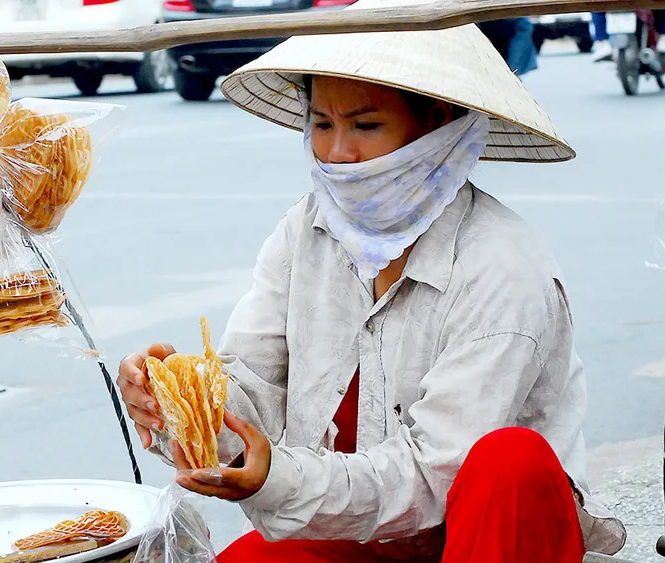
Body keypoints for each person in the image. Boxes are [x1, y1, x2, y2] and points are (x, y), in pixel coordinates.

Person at [116, 0, 628, 560]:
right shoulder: (305, 231)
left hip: (486, 532)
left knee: (511, 461)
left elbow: (434, 475)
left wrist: (278, 478)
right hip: (364, 530)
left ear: (437, 126)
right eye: (321, 124)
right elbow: (251, 389)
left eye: (366, 125)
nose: (338, 153)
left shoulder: (502, 266)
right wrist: (177, 402)